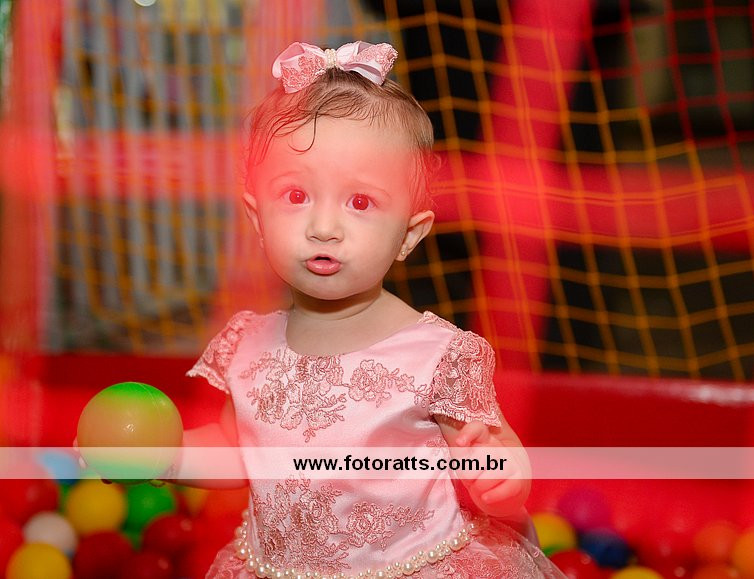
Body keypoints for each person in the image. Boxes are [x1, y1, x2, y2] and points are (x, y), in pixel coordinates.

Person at [180, 40, 566, 579]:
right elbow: (234, 448)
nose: (324, 227)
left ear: (409, 235)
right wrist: (160, 456)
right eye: (296, 196)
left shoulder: (436, 357)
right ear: (256, 219)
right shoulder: (246, 346)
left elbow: (494, 449)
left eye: (360, 202)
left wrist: (500, 480)